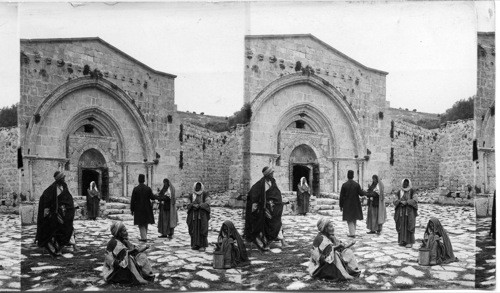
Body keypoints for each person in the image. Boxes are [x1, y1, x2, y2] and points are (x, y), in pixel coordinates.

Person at [244, 166, 286, 251]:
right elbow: (253, 195)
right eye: (271, 173)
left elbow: (276, 194)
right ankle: (267, 243)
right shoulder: (260, 184)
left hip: (274, 208)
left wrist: (278, 202)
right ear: (267, 174)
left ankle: (282, 242)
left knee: (277, 223)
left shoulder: (273, 182)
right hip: (264, 209)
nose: (273, 174)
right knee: (266, 226)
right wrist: (255, 206)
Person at [35, 171, 76, 256]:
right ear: (59, 179)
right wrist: (46, 210)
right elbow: (45, 198)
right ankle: (58, 248)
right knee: (57, 230)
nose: (64, 179)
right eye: (62, 178)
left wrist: (71, 206)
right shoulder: (52, 188)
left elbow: (68, 198)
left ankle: (71, 245)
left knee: (69, 227)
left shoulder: (64, 186)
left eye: (64, 178)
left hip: (65, 212)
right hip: (56, 213)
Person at [339, 170, 366, 238]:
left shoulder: (344, 185)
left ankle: (352, 233)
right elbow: (361, 193)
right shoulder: (356, 185)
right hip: (355, 204)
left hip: (347, 204)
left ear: (347, 176)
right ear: (353, 176)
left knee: (349, 219)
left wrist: (341, 205)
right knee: (354, 218)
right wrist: (366, 192)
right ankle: (353, 232)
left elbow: (341, 196)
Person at [394, 178, 418, 248]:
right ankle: (402, 241)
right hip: (401, 212)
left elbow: (415, 200)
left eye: (407, 183)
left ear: (409, 184)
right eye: (404, 183)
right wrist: (400, 202)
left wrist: (407, 202)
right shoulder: (399, 192)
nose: (405, 184)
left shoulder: (412, 191)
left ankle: (409, 242)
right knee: (401, 225)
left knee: (409, 225)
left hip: (409, 212)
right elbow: (394, 200)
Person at [187, 182, 211, 252]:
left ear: (201, 187)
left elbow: (207, 203)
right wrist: (193, 205)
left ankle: (202, 245)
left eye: (199, 187)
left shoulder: (205, 194)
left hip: (202, 216)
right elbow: (188, 205)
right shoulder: (191, 195)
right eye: (196, 187)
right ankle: (195, 244)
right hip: (194, 216)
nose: (197, 188)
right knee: (194, 229)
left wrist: (200, 205)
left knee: (202, 229)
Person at [130, 174, 155, 242]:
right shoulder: (148, 188)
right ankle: (144, 236)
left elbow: (133, 200)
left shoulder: (136, 189)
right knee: (145, 222)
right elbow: (152, 197)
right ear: (144, 180)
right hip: (147, 208)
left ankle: (144, 238)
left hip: (138, 209)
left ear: (138, 180)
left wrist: (132, 209)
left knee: (141, 223)